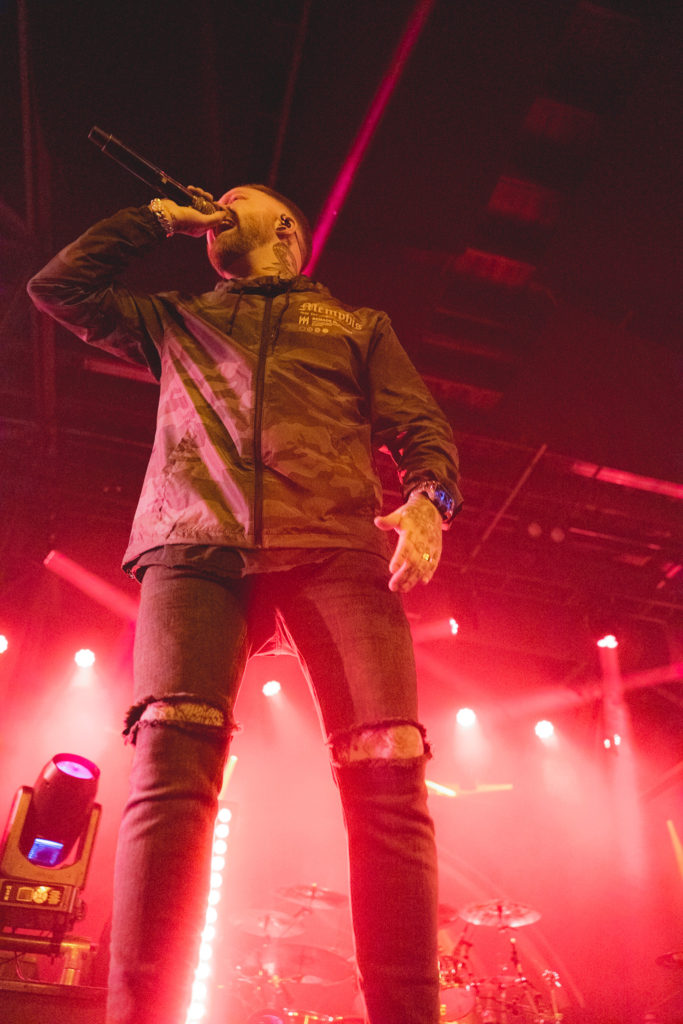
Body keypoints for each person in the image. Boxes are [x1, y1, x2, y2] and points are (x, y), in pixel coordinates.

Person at [27, 182, 463, 1024]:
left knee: (388, 765)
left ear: (285, 230)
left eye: (235, 200)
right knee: (170, 766)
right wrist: (156, 219)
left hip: (333, 542)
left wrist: (427, 500)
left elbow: (422, 427)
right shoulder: (179, 317)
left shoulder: (355, 325)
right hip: (193, 542)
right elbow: (60, 287)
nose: (216, 210)